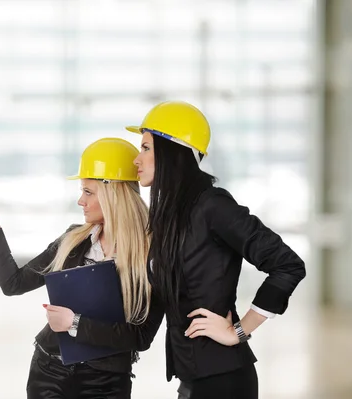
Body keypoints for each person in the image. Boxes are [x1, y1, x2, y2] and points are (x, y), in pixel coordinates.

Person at [128, 101, 306, 399]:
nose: (137, 158)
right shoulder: (171, 218)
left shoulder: (213, 206)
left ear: (173, 151)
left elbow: (287, 265)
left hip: (222, 379)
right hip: (193, 377)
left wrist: (239, 330)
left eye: (145, 148)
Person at [0, 137, 164, 399]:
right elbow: (14, 283)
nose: (81, 201)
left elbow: (141, 337)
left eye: (88, 192)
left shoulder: (153, 253)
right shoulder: (73, 240)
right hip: (49, 372)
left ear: (115, 194)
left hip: (106, 383)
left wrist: (74, 323)